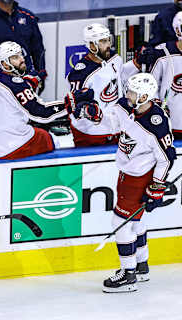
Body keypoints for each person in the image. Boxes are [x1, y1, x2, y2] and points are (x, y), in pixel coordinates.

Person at [82, 73, 175, 293]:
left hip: (139, 177)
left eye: (133, 92)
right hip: (127, 172)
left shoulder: (156, 124)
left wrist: (156, 187)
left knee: (120, 222)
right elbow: (112, 120)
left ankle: (128, 274)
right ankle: (141, 266)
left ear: (144, 96)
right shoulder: (127, 106)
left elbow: (166, 158)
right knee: (135, 222)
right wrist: (93, 114)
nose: (128, 94)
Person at [0, 41, 96, 159]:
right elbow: (41, 113)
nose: (22, 59)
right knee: (50, 139)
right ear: (5, 64)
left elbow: (12, 89)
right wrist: (72, 101)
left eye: (21, 54)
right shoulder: (17, 86)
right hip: (8, 147)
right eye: (15, 57)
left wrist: (28, 83)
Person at [66, 23, 141, 147]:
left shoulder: (115, 58)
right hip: (92, 133)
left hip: (117, 129)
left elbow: (120, 77)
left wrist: (136, 63)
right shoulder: (80, 73)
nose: (108, 45)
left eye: (108, 40)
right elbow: (75, 106)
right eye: (103, 41)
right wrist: (84, 108)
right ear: (91, 45)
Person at [0, 0, 46, 92]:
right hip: (1, 88)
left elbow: (38, 49)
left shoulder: (28, 17)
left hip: (27, 83)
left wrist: (40, 75)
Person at [138, 12, 182, 139]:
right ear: (178, 30)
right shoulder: (162, 53)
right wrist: (158, 107)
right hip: (170, 125)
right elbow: (151, 86)